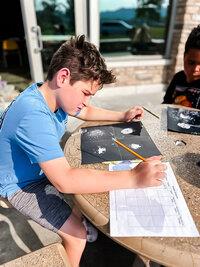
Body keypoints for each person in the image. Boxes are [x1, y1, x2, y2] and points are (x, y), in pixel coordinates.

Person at [0, 35, 166, 267]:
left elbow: (85, 111)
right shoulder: (32, 114)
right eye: (86, 93)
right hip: (20, 185)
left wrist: (121, 116)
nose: (85, 101)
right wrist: (134, 177)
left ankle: (74, 216)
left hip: (37, 169)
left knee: (85, 182)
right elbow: (65, 182)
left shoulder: (49, 93)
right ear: (64, 76)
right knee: (77, 235)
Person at [163, 25, 200, 109]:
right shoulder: (178, 78)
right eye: (191, 62)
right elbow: (166, 104)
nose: (195, 69)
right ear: (184, 57)